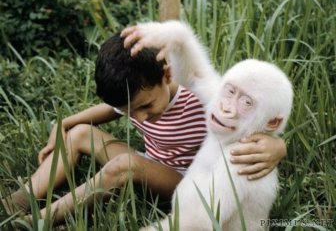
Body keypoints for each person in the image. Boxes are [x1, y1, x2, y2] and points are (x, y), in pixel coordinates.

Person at [1, 30, 286, 225]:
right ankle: (17, 202)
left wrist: (277, 145)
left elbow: (251, 124)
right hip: (152, 164)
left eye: (146, 107)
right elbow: (109, 110)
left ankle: (39, 221)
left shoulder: (204, 96)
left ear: (167, 74)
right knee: (80, 134)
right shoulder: (136, 94)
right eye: (130, 111)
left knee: (125, 164)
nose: (140, 117)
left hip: (187, 180)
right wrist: (65, 123)